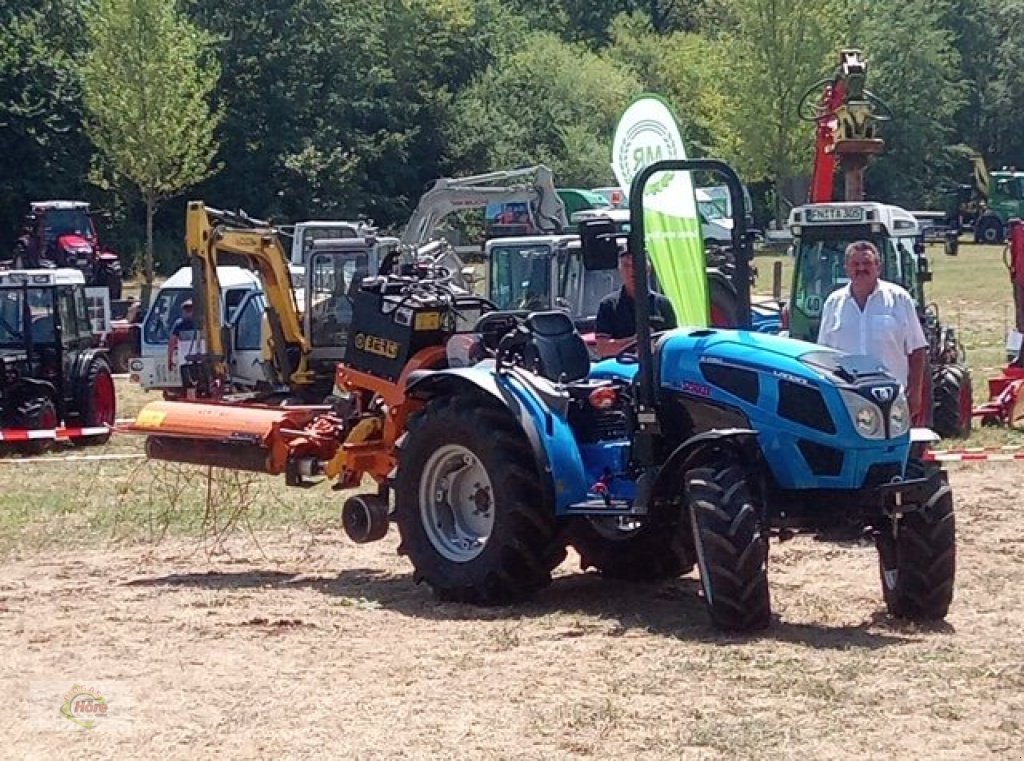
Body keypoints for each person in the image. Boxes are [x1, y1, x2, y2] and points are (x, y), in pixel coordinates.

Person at [817, 240, 930, 424]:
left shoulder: (899, 299)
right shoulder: (833, 303)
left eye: (867, 263)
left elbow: (917, 350)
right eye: (855, 264)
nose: (861, 268)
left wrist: (915, 394)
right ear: (846, 268)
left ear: (878, 267)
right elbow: (822, 355)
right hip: (846, 396)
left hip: (891, 397)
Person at [593, 242, 678, 358]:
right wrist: (637, 340)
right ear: (620, 270)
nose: (632, 271)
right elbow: (603, 349)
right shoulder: (608, 305)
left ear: (648, 268)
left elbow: (673, 344)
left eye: (637, 264)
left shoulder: (663, 304)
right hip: (621, 370)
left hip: (656, 370)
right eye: (626, 265)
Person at [167, 299, 198, 371]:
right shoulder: (202, 323)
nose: (188, 312)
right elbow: (172, 342)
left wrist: (170, 360)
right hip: (200, 360)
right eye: (187, 310)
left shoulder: (179, 324)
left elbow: (171, 342)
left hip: (185, 361)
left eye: (189, 310)